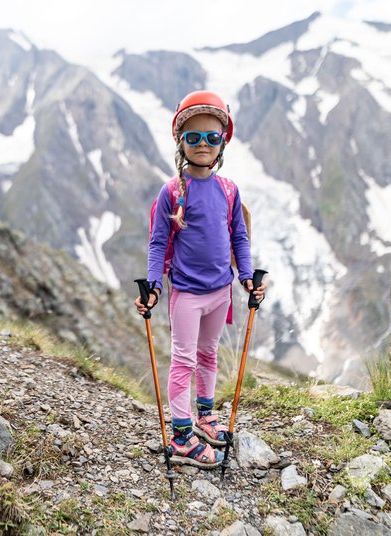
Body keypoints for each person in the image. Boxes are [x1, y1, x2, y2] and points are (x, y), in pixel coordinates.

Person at [135, 90, 266, 469]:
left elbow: (238, 236)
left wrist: (245, 276)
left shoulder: (229, 191)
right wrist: (154, 285)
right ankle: (180, 435)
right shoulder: (173, 191)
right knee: (184, 361)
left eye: (213, 137)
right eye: (193, 137)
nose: (204, 144)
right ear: (180, 142)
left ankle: (205, 417)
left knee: (208, 355)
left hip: (220, 292)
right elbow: (158, 241)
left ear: (223, 141)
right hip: (188, 295)